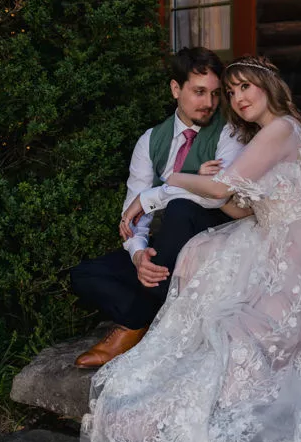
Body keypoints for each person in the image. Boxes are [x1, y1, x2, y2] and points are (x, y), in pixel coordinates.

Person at [80, 56, 301, 442]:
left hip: (299, 253)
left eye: (246, 87)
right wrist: (207, 184)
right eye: (232, 92)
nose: (238, 98)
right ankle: (175, 387)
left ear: (269, 86)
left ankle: (208, 417)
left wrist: (171, 183)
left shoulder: (281, 129)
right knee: (199, 264)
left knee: (242, 336)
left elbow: (223, 189)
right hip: (267, 239)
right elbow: (241, 208)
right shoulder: (258, 137)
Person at [70, 47, 245, 369]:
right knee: (85, 274)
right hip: (164, 253)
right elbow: (133, 213)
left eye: (215, 94)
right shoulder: (150, 140)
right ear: (175, 89)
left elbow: (217, 196)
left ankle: (130, 328)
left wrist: (159, 193)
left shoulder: (230, 133)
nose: (208, 103)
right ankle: (144, 317)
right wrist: (139, 256)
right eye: (199, 92)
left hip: (213, 245)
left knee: (180, 207)